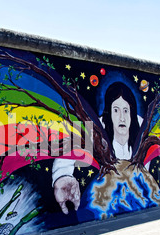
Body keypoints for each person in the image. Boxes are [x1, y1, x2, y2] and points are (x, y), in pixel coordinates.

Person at [52, 82, 140, 214]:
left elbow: (158, 139)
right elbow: (70, 148)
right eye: (116, 110)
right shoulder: (96, 129)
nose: (122, 117)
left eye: (126, 110)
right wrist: (62, 176)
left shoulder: (139, 125)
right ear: (109, 111)